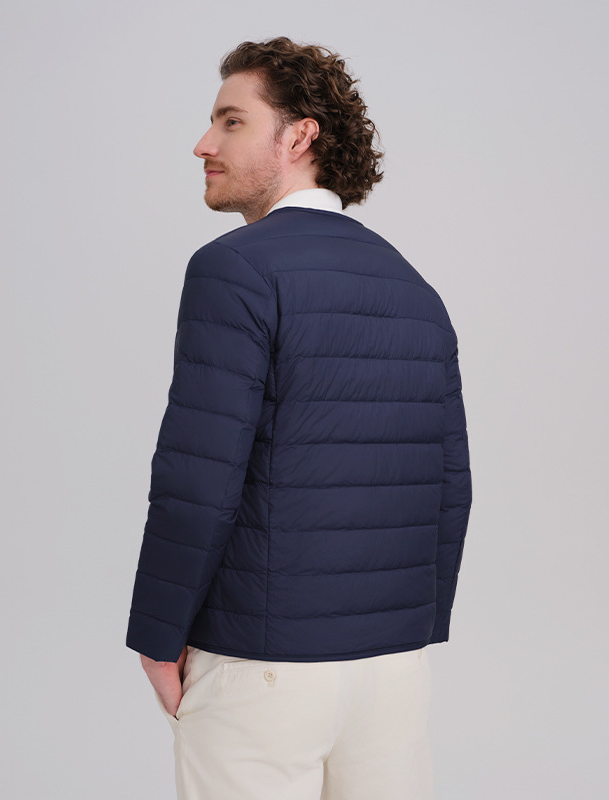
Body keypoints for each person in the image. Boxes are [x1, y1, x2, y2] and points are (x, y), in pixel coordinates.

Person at [126, 36, 473, 800]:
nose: (204, 144)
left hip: (262, 667)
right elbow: (452, 483)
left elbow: (199, 476)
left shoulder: (234, 268)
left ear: (300, 136)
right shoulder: (414, 287)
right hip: (393, 673)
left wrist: (157, 634)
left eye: (231, 121)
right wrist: (413, 629)